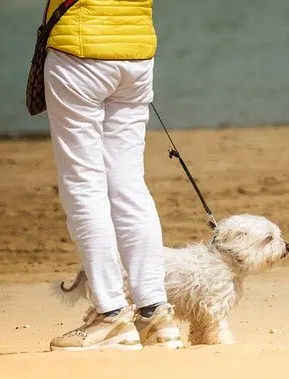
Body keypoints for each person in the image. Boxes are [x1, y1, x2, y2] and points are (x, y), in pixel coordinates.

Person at [41, 0, 184, 350]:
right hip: (136, 51)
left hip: (79, 49)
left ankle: (111, 315)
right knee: (129, 184)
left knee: (84, 185)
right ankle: (156, 315)